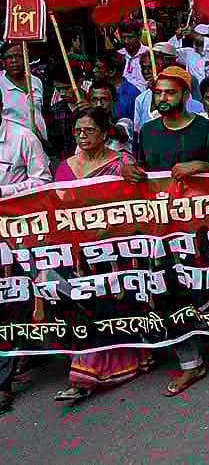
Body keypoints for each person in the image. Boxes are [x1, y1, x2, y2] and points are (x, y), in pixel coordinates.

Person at [122, 66, 209, 396]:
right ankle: (191, 363)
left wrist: (202, 167)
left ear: (186, 96)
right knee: (169, 292)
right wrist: (129, 170)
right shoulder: (147, 132)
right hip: (163, 230)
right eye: (158, 92)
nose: (162, 98)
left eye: (170, 93)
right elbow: (142, 171)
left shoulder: (206, 130)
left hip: (204, 230)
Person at [52, 107, 154, 403]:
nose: (82, 136)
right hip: (81, 254)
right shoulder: (66, 167)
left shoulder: (122, 162)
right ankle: (91, 369)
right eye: (78, 131)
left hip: (117, 251)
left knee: (114, 309)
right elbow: (58, 207)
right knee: (88, 308)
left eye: (89, 130)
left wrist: (124, 181)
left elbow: (139, 202)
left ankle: (93, 372)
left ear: (104, 132)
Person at [0, 90, 53, 414]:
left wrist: (5, 192)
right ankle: (25, 351)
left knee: (11, 304)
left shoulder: (23, 138)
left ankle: (3, 382)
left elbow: (42, 181)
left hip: (16, 237)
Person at [132, 43, 204, 138]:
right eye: (143, 68)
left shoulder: (188, 84)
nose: (146, 71)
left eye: (150, 67)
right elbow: (138, 131)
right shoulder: (141, 99)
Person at [1, 41, 47, 139]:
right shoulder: (1, 85)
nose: (14, 61)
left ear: (26, 57)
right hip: (12, 144)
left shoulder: (36, 82)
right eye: (9, 57)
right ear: (3, 61)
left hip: (40, 142)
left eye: (18, 56)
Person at [87, 80, 134, 153]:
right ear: (89, 102)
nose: (99, 104)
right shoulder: (84, 127)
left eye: (104, 99)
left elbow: (119, 133)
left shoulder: (125, 122)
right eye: (95, 100)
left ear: (114, 101)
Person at [92, 52, 140, 122]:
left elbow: (135, 123)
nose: (94, 70)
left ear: (111, 71)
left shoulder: (133, 94)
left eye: (99, 68)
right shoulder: (95, 90)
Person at [119, 23, 149, 91]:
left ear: (139, 36)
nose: (126, 41)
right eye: (123, 37)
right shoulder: (118, 55)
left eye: (130, 37)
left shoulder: (149, 54)